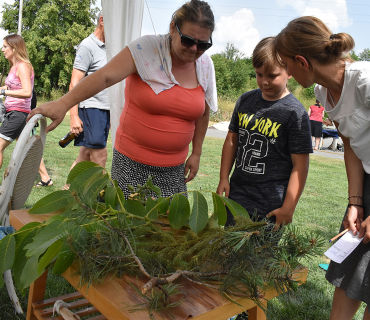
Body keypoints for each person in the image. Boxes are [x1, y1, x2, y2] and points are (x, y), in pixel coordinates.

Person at [28, 0, 217, 198]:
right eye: (188, 40)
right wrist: (63, 104)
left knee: (169, 226)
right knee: (127, 226)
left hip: (174, 170)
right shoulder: (146, 49)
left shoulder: (204, 66)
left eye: (203, 44)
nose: (195, 49)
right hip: (132, 165)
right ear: (172, 28)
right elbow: (103, 77)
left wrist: (196, 153)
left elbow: (203, 113)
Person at [274, 16, 370, 320]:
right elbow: (351, 146)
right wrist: (356, 202)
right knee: (352, 264)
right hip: (366, 181)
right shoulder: (322, 92)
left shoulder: (365, 81)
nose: (287, 72)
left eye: (287, 64)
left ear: (302, 61)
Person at [216, 37, 312, 228]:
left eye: (272, 75)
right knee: (226, 251)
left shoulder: (295, 113)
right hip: (237, 196)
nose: (265, 82)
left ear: (289, 72)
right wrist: (223, 177)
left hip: (270, 204)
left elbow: (299, 166)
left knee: (259, 256)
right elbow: (231, 141)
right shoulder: (245, 100)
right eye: (259, 75)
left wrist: (289, 207)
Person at [67, 10, 109, 182]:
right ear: (102, 20)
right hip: (92, 108)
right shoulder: (87, 46)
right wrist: (74, 115)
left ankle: (68, 192)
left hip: (105, 109)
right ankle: (97, 198)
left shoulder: (110, 47)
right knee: (100, 156)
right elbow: (74, 83)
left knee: (84, 155)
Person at [0, 34, 34, 169]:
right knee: (25, 149)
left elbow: (27, 92)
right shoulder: (13, 66)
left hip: (18, 114)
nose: (2, 50)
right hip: (13, 112)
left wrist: (3, 92)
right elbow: (11, 87)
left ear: (14, 48)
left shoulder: (23, 66)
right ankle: (44, 178)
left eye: (5, 47)